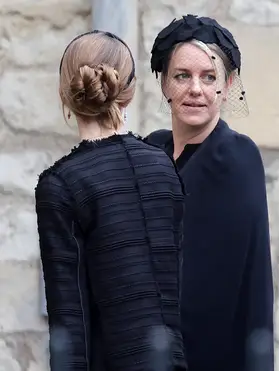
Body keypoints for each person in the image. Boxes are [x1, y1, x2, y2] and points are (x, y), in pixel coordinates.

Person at [36, 30, 187, 370]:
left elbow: (68, 319)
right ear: (128, 93)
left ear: (65, 92)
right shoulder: (162, 165)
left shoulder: (60, 184)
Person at [145, 14, 274, 371]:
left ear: (228, 85)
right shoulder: (150, 152)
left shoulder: (235, 156)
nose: (195, 90)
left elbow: (221, 286)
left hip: (213, 354)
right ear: (164, 84)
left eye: (209, 77)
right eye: (182, 76)